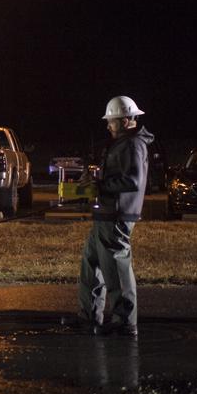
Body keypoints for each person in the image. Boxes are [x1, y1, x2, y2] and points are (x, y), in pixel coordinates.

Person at [70, 95, 155, 337]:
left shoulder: (133, 145)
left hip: (117, 215)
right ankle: (89, 316)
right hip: (107, 213)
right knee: (91, 264)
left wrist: (100, 185)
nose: (108, 126)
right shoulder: (123, 143)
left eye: (112, 121)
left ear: (126, 120)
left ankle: (125, 322)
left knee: (117, 269)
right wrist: (97, 182)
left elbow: (132, 180)